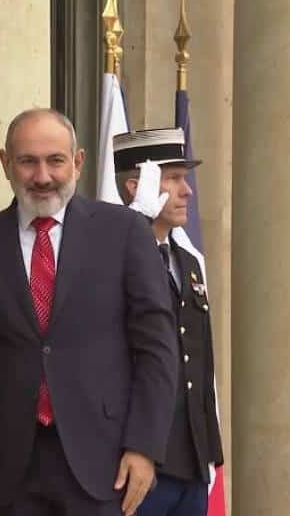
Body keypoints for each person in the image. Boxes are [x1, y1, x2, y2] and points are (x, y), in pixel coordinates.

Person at [0, 108, 178, 516]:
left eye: (55, 160)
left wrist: (144, 446)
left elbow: (157, 350)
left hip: (104, 462)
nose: (42, 176)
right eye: (27, 161)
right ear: (5, 163)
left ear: (77, 162)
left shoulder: (125, 233)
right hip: (14, 465)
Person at [114, 128, 224, 516]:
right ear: (135, 187)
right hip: (141, 461)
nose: (187, 191)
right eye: (173, 178)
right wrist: (136, 226)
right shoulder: (113, 258)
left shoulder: (187, 261)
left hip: (190, 458)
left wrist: (209, 451)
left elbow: (199, 356)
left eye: (185, 178)